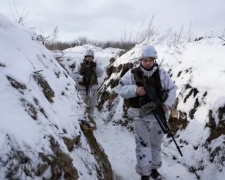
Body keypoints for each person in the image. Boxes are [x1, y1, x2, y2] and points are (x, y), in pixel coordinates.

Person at [118, 45, 177, 180]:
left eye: (150, 60)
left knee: (156, 144)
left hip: (159, 116)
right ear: (141, 60)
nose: (148, 62)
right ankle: (145, 173)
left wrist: (167, 105)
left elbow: (172, 90)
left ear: (154, 60)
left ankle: (154, 169)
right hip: (140, 116)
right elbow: (120, 89)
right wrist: (135, 90)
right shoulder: (132, 74)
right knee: (143, 144)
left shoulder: (162, 74)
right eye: (145, 60)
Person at [72, 48, 104, 130]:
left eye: (91, 56)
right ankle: (83, 121)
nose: (89, 58)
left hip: (93, 88)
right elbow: (75, 75)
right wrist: (83, 78)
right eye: (88, 56)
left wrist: (95, 66)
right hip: (82, 88)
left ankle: (91, 120)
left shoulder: (95, 65)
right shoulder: (80, 65)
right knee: (84, 104)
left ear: (93, 57)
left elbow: (100, 73)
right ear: (85, 57)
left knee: (92, 105)